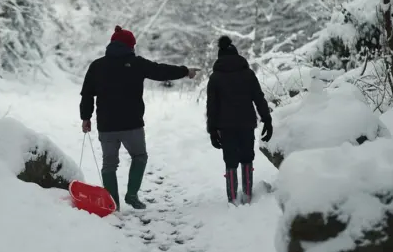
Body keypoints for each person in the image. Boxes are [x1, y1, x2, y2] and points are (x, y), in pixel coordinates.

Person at [80, 26, 198, 210]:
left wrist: (85, 118)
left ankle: (113, 205)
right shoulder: (136, 63)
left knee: (109, 164)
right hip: (132, 124)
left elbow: (87, 94)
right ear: (130, 46)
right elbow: (161, 71)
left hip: (106, 125)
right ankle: (132, 195)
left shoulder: (97, 65)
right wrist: (185, 71)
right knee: (140, 156)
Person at [206, 36, 273, 205]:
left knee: (230, 160)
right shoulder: (248, 74)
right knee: (247, 157)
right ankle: (248, 195)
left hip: (225, 125)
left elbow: (212, 106)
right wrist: (267, 119)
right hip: (247, 123)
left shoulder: (215, 78)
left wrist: (212, 130)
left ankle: (232, 198)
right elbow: (258, 97)